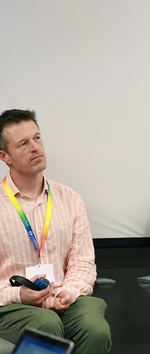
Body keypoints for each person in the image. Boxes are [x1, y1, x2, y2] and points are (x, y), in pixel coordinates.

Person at [0, 109, 111, 354]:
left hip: (64, 299)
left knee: (95, 328)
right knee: (45, 324)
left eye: (37, 138)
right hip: (10, 305)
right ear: (4, 156)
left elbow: (83, 262)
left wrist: (66, 292)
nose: (35, 147)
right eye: (23, 143)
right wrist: (20, 294)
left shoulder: (70, 199)